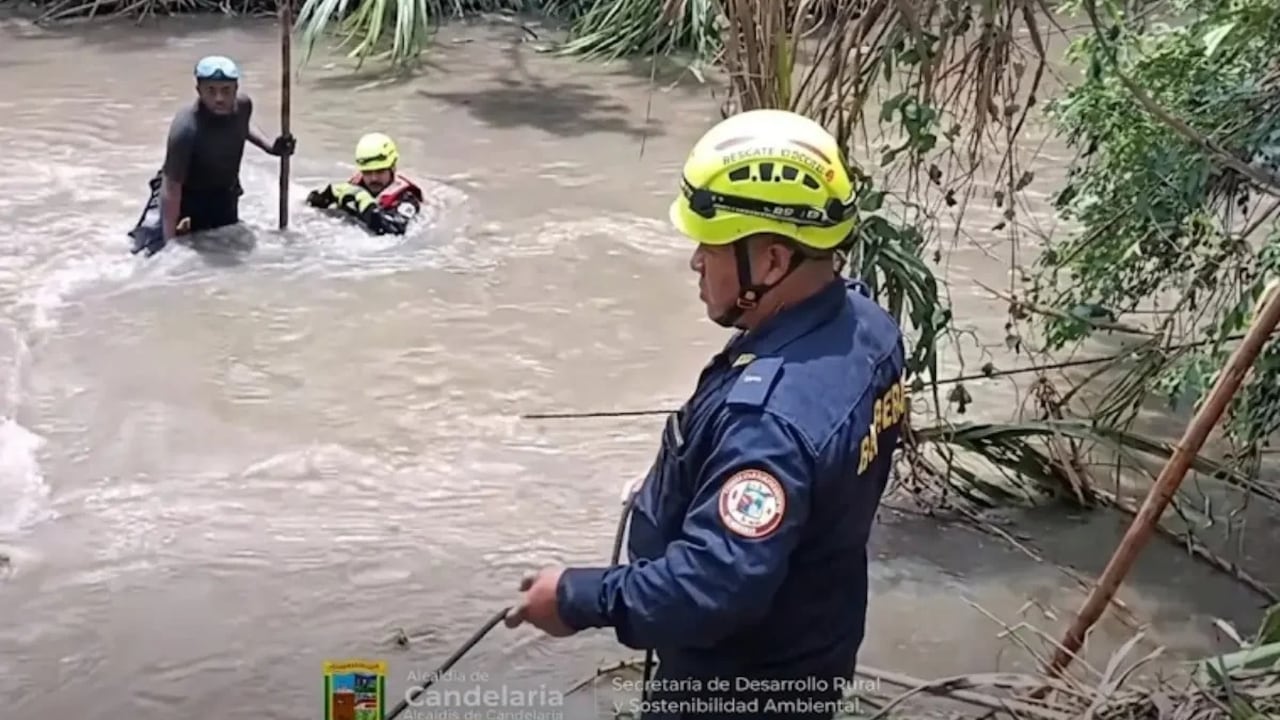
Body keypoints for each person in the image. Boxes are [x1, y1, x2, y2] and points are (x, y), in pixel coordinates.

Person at [504, 109, 908, 720]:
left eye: (711, 247)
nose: (696, 261)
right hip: (812, 658)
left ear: (771, 263)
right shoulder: (866, 330)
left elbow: (707, 588)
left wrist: (576, 597)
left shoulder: (766, 424)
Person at [128, 55, 296, 255]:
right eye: (211, 91)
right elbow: (171, 188)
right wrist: (170, 242)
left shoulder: (243, 106)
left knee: (226, 249)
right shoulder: (186, 128)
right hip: (184, 194)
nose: (219, 98)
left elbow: (242, 126)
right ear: (199, 90)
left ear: (236, 89)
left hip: (222, 194)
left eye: (226, 91)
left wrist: (271, 148)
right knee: (146, 252)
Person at [305, 132, 423, 235]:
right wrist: (327, 194)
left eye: (380, 171)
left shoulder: (407, 198)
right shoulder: (355, 186)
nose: (373, 178)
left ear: (393, 168)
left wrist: (367, 206)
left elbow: (395, 230)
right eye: (367, 172)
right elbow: (310, 203)